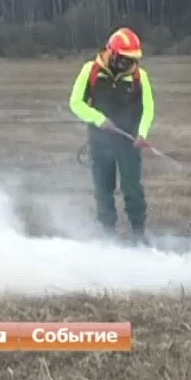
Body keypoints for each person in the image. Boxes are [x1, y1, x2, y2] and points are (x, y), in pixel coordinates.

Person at [68, 28, 155, 246]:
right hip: (99, 143)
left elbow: (148, 109)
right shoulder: (91, 71)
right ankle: (108, 236)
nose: (130, 65)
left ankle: (138, 235)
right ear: (113, 54)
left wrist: (142, 134)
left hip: (129, 143)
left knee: (132, 189)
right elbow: (75, 102)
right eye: (126, 60)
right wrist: (98, 119)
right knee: (103, 189)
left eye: (133, 60)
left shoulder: (139, 76)